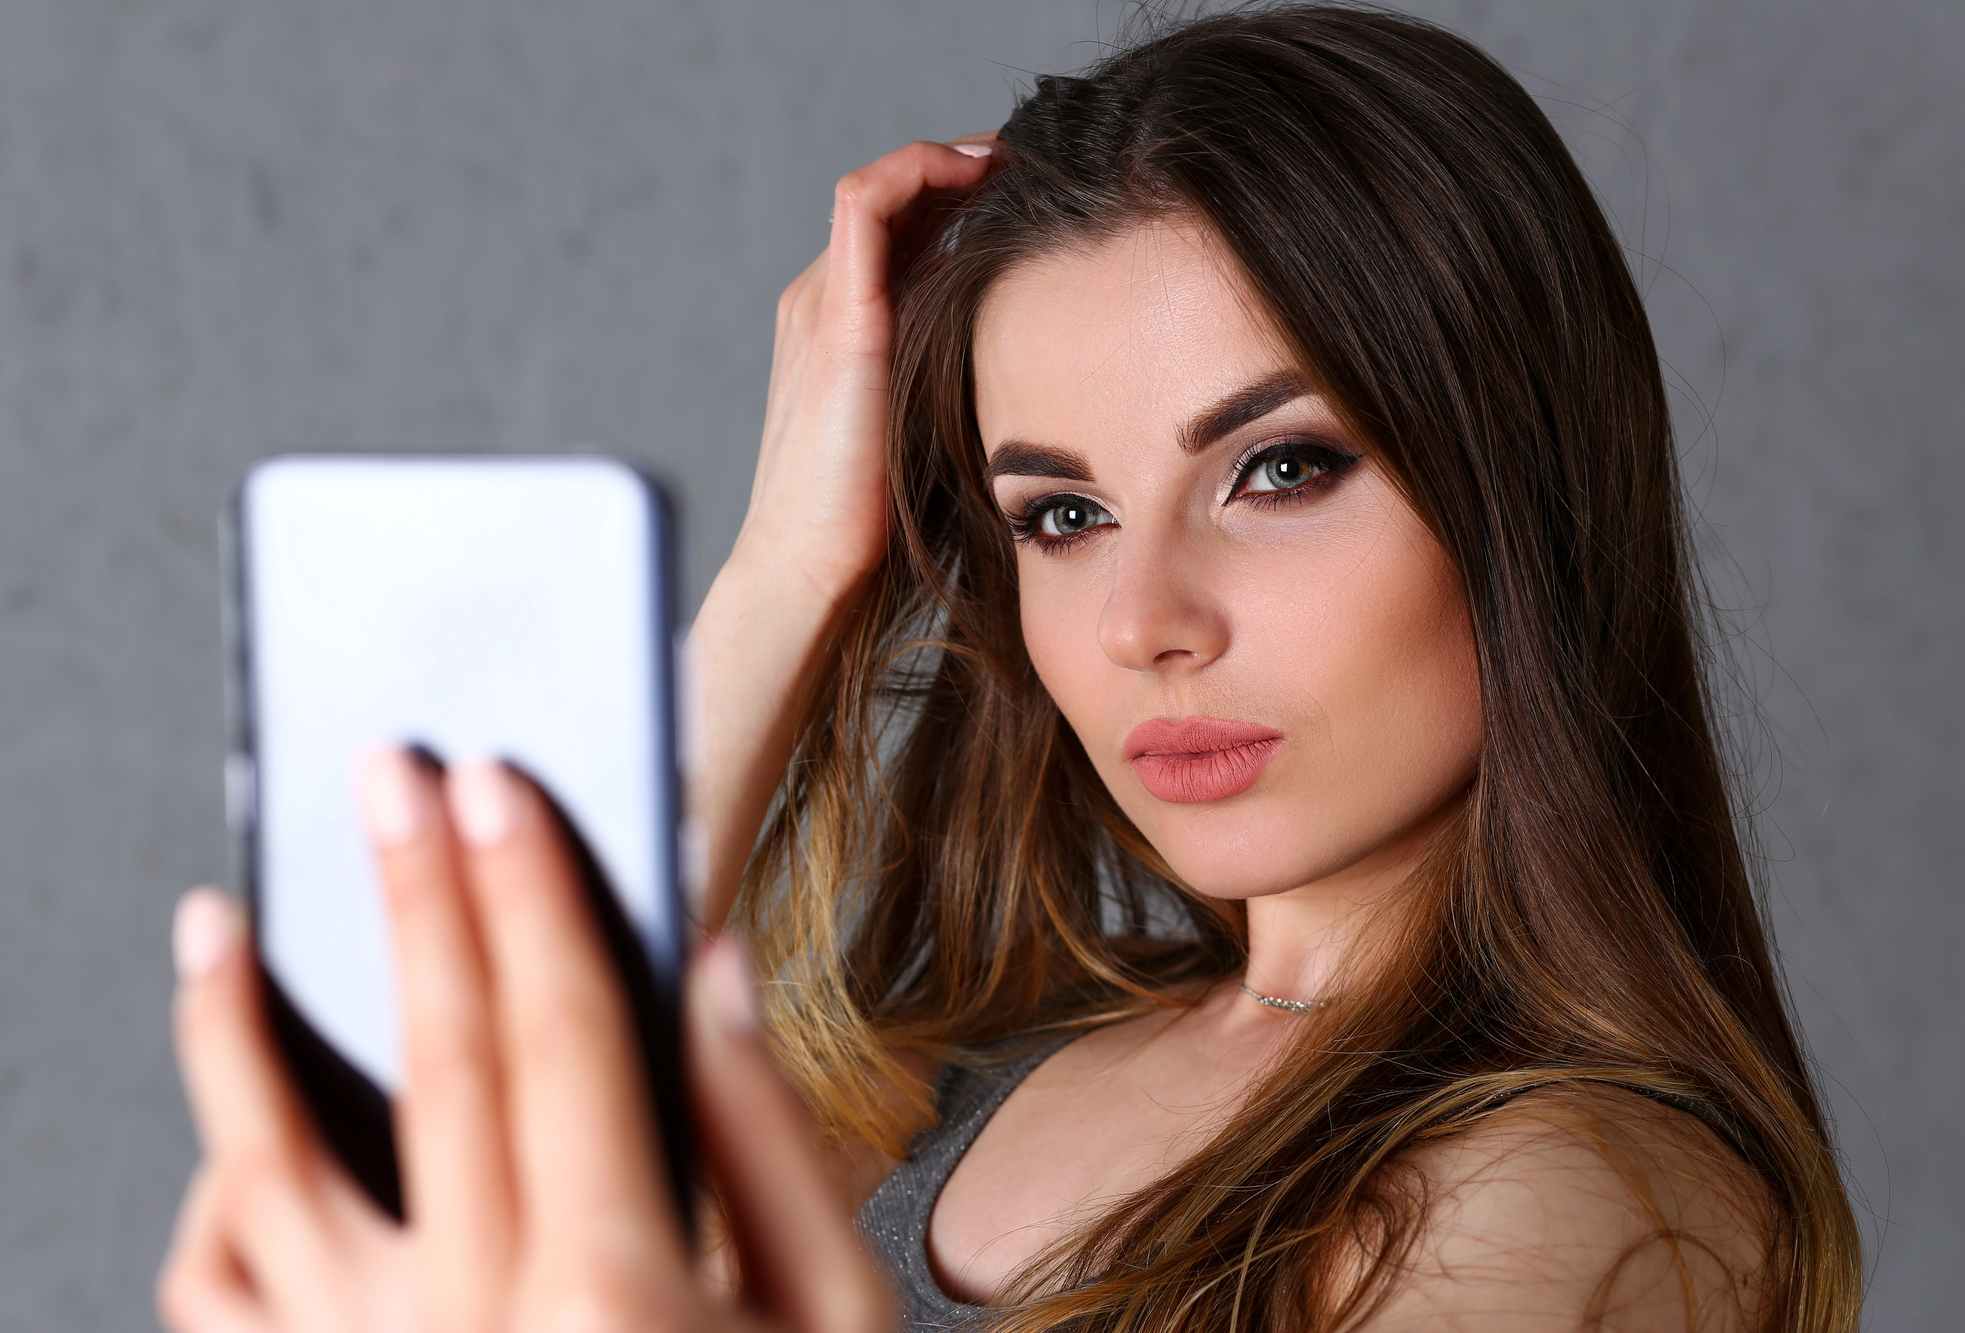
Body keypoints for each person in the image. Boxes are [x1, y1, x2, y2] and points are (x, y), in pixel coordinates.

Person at [157, 6, 1863, 1331]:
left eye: (1279, 470)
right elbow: (440, 1159)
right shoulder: (949, 1075)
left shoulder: (1587, 1194)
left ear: (1524, 488)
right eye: (1059, 512)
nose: (1144, 620)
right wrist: (783, 577)